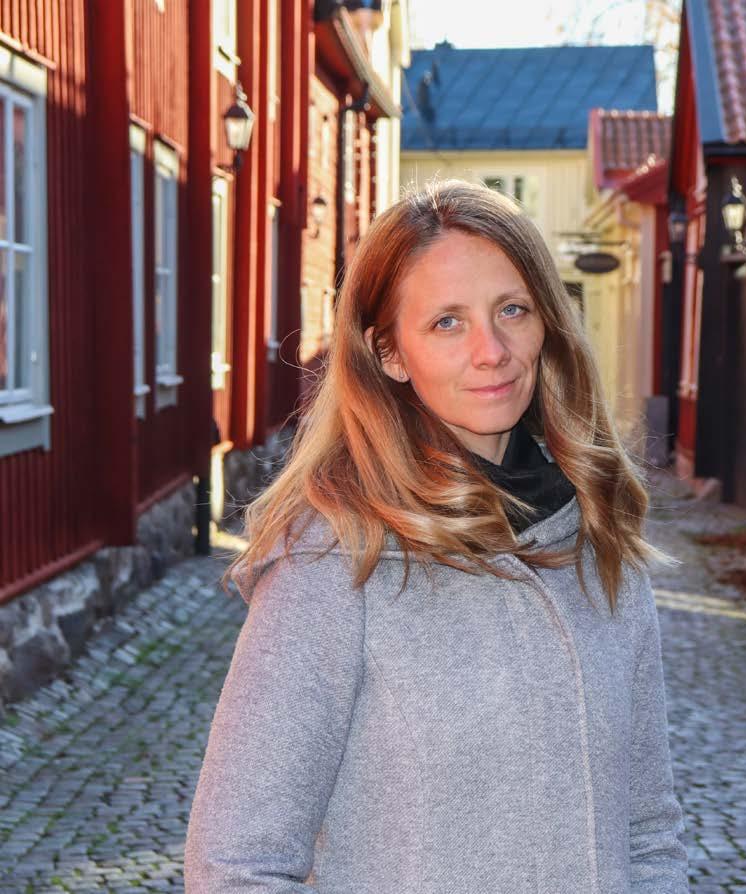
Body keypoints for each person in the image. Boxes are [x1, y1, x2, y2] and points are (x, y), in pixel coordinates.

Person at [184, 179, 690, 892]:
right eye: (447, 322)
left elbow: (649, 835)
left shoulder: (599, 542)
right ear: (389, 352)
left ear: (547, 323)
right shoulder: (335, 560)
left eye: (512, 309)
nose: (492, 350)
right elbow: (237, 865)